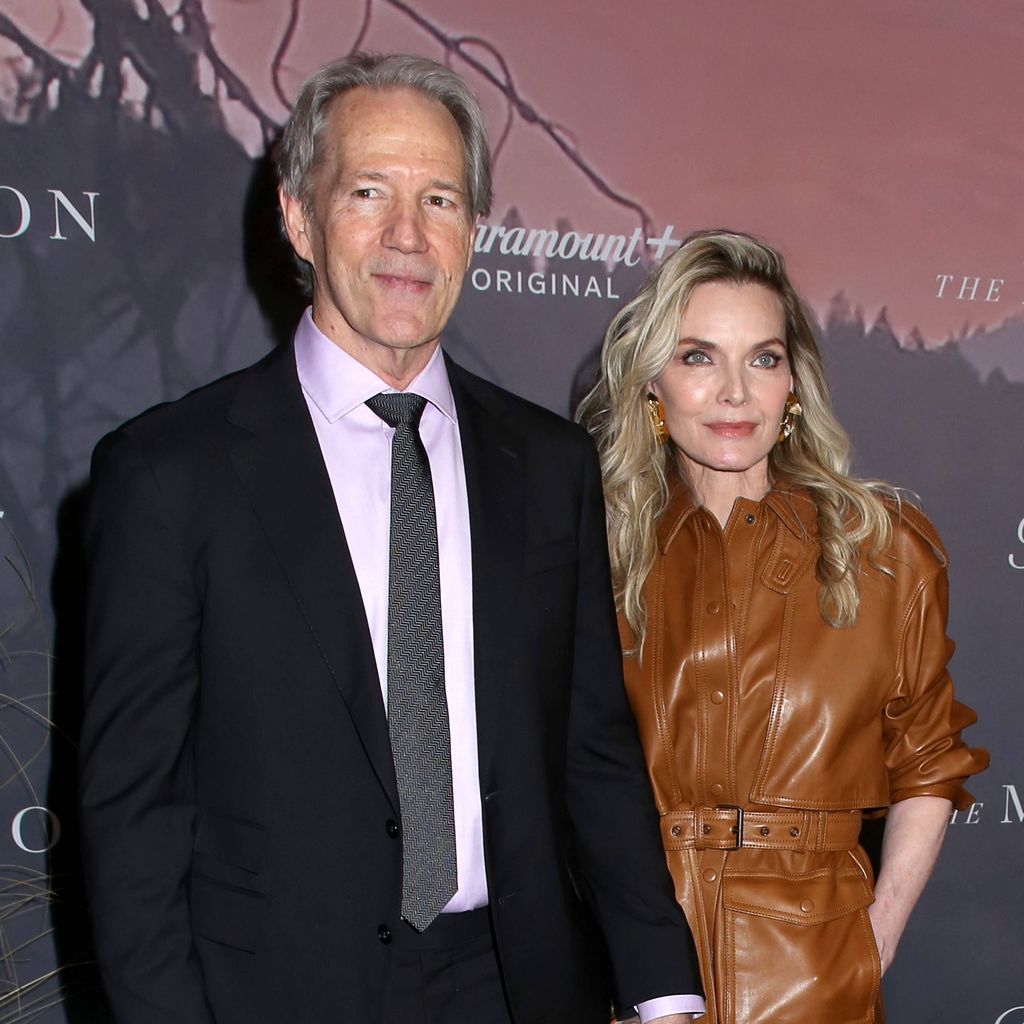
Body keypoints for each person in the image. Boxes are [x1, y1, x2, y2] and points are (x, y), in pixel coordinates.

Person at [79, 53, 704, 1024]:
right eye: (368, 192)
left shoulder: (548, 466)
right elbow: (132, 810)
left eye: (441, 199)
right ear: (297, 215)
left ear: (473, 230)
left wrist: (667, 993)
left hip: (518, 984)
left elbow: (593, 751)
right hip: (272, 994)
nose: (407, 235)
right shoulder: (170, 474)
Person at [578, 229, 988, 1023]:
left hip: (817, 975)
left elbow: (930, 764)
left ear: (792, 384)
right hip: (630, 971)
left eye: (763, 359)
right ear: (652, 381)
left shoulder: (883, 549)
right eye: (699, 356)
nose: (735, 392)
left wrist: (876, 937)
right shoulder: (593, 547)